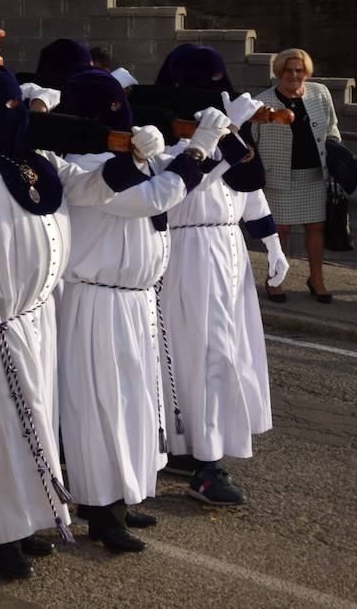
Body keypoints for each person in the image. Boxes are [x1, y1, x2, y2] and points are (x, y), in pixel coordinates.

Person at [0, 60, 155, 580]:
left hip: (37, 318)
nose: (16, 112)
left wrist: (135, 155)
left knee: (34, 424)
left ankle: (27, 517)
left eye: (18, 102)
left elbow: (92, 188)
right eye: (4, 105)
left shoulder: (36, 157)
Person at [53, 69, 223, 554]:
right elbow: (153, 199)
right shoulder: (86, 163)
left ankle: (122, 496)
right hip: (99, 299)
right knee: (102, 405)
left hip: (134, 299)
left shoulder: (125, 157)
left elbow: (174, 176)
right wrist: (197, 150)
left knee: (134, 405)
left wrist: (202, 141)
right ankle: (100, 509)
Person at [154, 44, 284, 506]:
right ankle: (206, 465)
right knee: (201, 354)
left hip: (228, 251)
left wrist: (271, 243)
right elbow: (185, 182)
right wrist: (223, 135)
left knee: (229, 350)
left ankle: (192, 445)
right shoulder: (168, 133)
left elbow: (249, 190)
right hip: (189, 251)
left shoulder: (222, 134)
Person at [252, 48, 340, 303]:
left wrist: (335, 149)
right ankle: (274, 279)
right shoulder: (262, 102)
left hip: (314, 174)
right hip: (279, 175)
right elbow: (253, 141)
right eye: (289, 70)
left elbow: (332, 125)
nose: (294, 75)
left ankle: (317, 279)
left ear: (306, 73)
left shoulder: (319, 93)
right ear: (279, 72)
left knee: (316, 227)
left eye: (299, 70)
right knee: (280, 230)